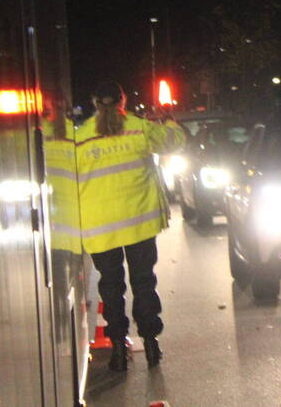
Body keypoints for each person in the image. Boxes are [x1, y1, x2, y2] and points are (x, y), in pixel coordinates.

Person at [76, 82, 185, 371]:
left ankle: (119, 353)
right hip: (139, 223)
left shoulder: (81, 137)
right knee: (144, 282)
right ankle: (151, 345)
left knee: (111, 287)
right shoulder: (139, 127)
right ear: (123, 101)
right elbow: (174, 141)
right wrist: (168, 118)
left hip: (101, 228)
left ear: (94, 102)